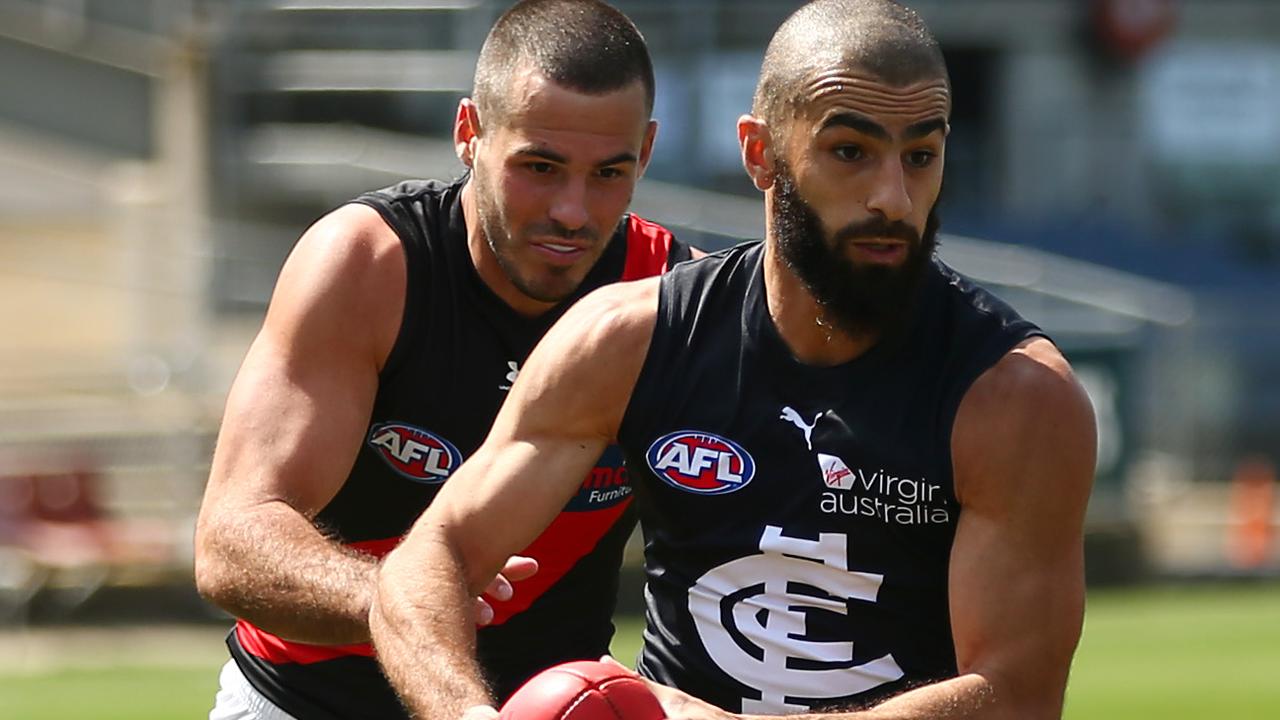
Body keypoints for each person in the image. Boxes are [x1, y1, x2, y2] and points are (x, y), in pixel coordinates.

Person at [370, 0, 1098, 718]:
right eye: (850, 152)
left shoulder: (1016, 395)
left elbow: (1016, 694)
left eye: (922, 155)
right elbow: (432, 558)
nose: (894, 198)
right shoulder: (626, 339)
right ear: (761, 154)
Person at [193, 1, 696, 718]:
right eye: (540, 167)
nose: (573, 212)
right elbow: (231, 543)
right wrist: (418, 594)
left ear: (645, 153)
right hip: (305, 702)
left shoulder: (671, 302)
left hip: (550, 707)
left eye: (609, 173)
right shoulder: (368, 266)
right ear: (469, 134)